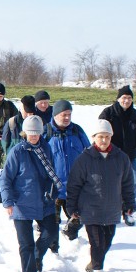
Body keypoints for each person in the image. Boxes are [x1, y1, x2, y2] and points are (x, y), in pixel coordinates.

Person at [66, 119, 136, 272]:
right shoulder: (85, 159)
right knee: (96, 241)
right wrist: (72, 206)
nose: (104, 141)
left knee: (107, 241)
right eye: (100, 137)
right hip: (91, 209)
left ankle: (94, 263)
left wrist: (129, 204)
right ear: (94, 138)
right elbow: (74, 184)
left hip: (112, 208)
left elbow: (127, 183)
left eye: (107, 137)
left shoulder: (121, 158)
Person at [0, 115, 59, 272]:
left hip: (43, 201)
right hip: (22, 204)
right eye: (30, 133)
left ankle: (37, 256)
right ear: (24, 133)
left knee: (51, 233)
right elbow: (5, 178)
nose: (34, 136)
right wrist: (8, 201)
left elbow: (52, 174)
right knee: (26, 243)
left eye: (37, 133)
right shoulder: (17, 151)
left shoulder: (46, 148)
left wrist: (52, 192)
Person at [42, 100, 91, 252]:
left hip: (75, 186)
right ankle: (53, 249)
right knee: (52, 222)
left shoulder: (77, 131)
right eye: (64, 115)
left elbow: (89, 152)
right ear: (56, 115)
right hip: (54, 187)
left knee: (82, 215)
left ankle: (71, 235)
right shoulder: (46, 132)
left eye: (69, 115)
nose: (67, 118)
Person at [99, 85, 136, 206]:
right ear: (118, 99)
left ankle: (125, 206)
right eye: (124, 97)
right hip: (111, 156)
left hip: (129, 157)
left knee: (135, 182)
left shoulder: (135, 115)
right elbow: (99, 133)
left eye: (130, 98)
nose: (127, 100)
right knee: (111, 183)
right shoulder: (108, 113)